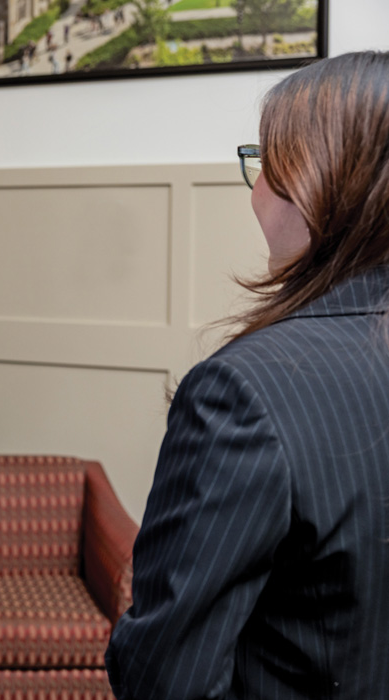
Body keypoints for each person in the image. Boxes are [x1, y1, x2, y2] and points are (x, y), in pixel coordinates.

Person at [106, 51, 389, 699]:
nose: (254, 191)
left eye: (263, 164)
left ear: (319, 185)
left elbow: (166, 679)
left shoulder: (244, 393)